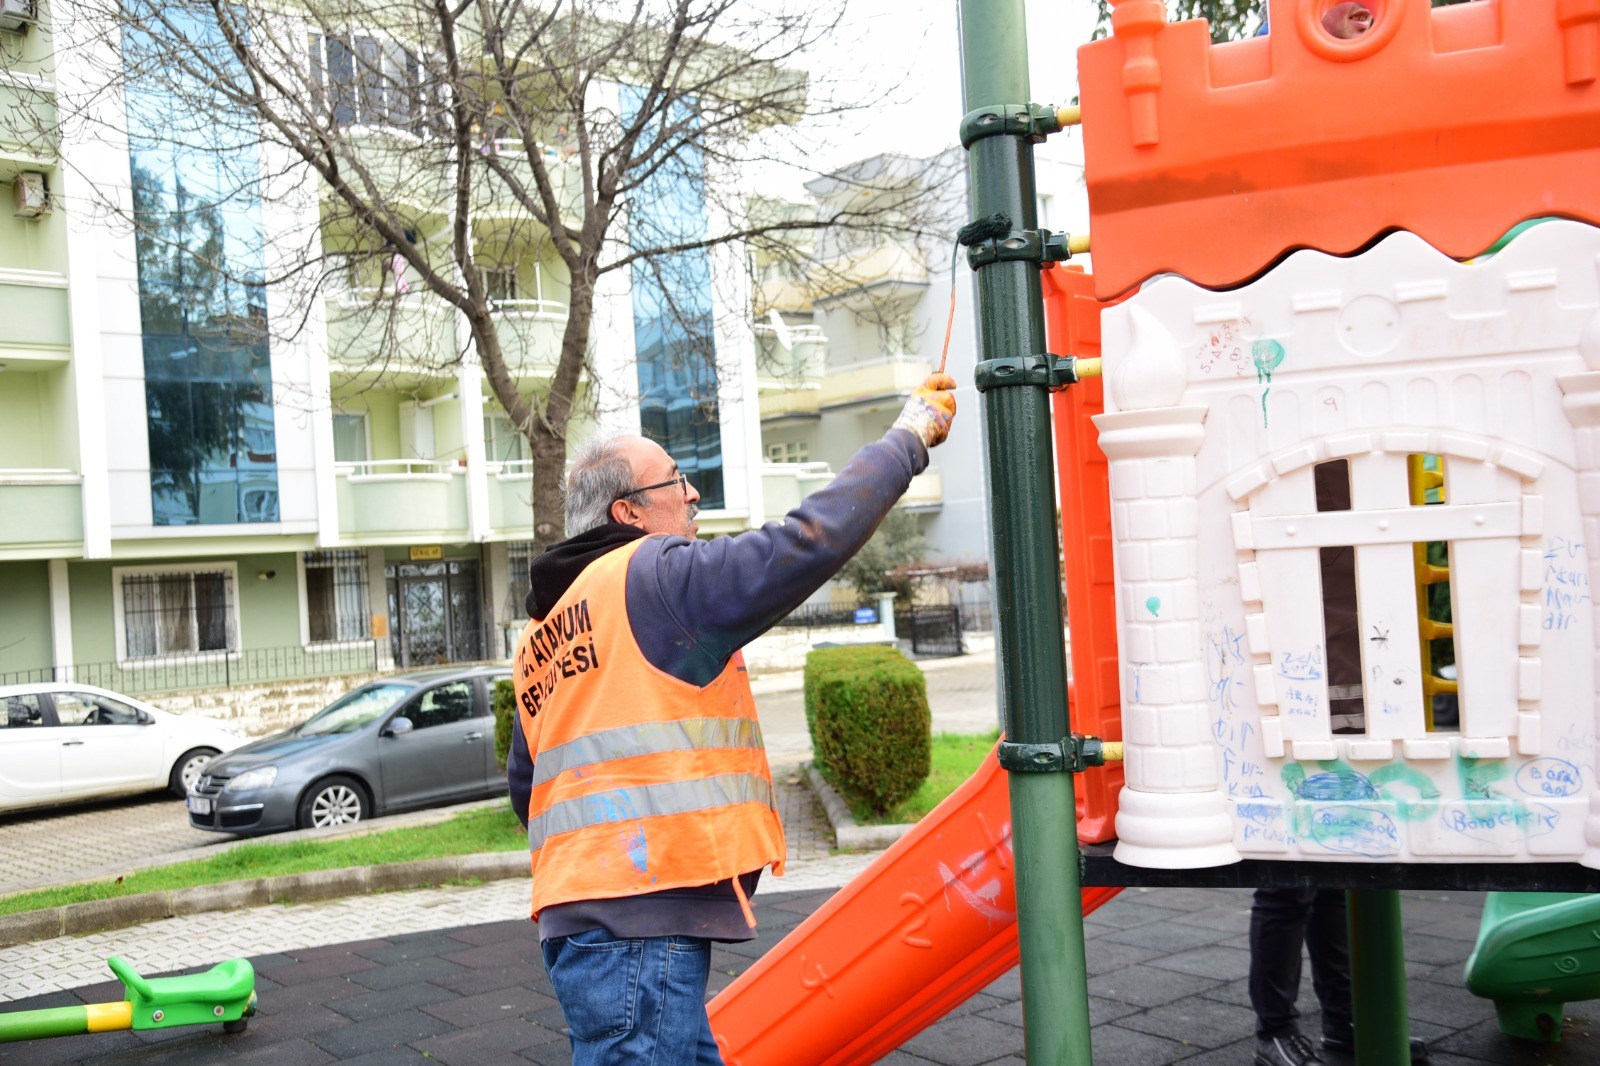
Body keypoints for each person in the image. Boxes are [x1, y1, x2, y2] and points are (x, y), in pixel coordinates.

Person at [506, 373, 958, 1065]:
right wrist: (906, 439)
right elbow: (802, 544)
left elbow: (527, 790)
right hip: (641, 920)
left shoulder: (543, 633)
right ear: (628, 514)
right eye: (676, 480)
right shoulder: (654, 576)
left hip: (587, 916)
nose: (692, 493)